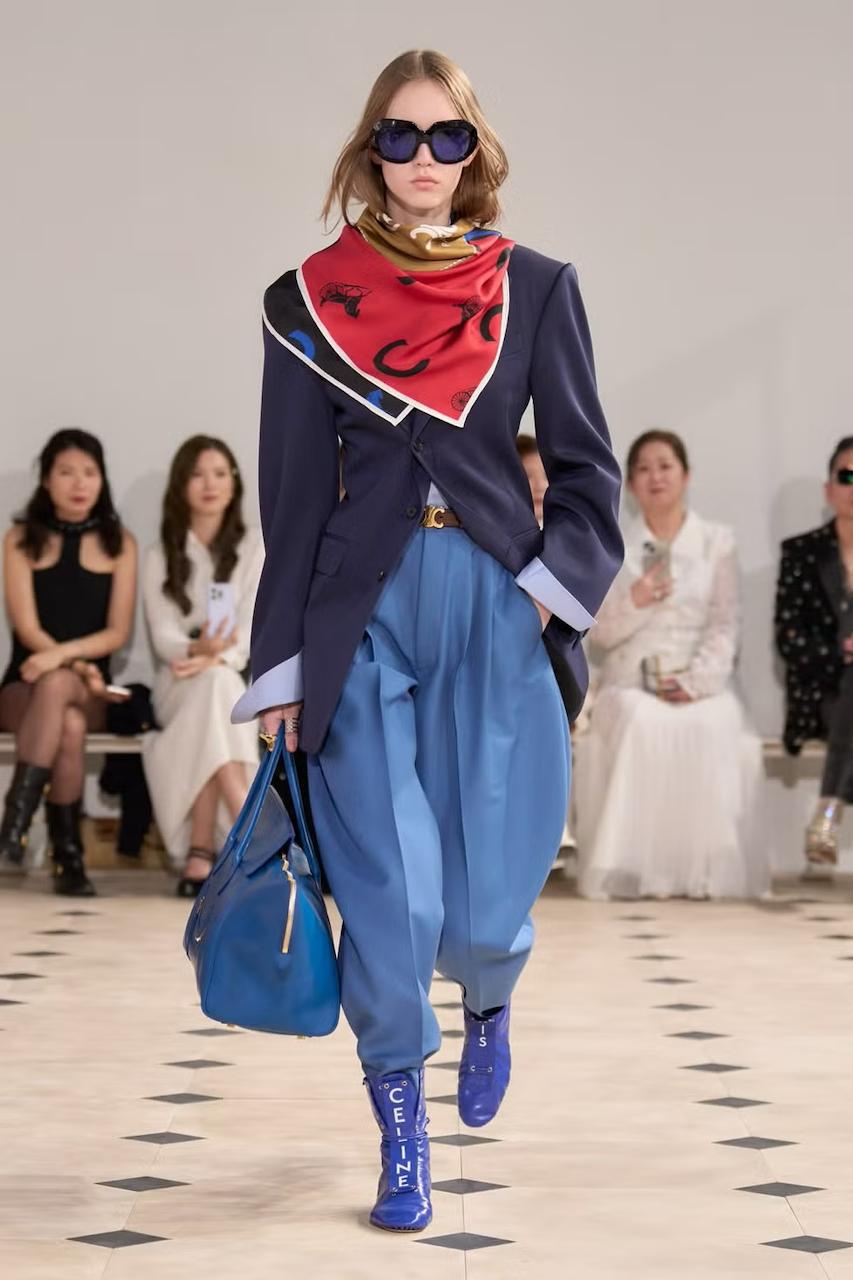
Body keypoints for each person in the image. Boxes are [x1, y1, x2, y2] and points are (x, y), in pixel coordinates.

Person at [231, 50, 622, 1231]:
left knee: (490, 891)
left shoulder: (536, 286)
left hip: (497, 598)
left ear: (474, 151)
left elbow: (588, 468)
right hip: (359, 610)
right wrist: (281, 662)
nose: (421, 158)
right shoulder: (310, 300)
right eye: (397, 136)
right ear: (369, 151)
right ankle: (399, 1119)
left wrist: (551, 592)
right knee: (387, 884)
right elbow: (293, 495)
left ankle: (490, 996)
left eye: (445, 136)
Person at [576, 430, 768, 900]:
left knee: (716, 720)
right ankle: (639, 871)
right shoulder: (613, 544)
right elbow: (598, 632)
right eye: (643, 468)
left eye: (665, 466)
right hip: (630, 681)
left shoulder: (716, 542)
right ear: (631, 484)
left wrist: (697, 683)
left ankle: (704, 871)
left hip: (699, 682)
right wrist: (636, 601)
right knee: (640, 721)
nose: (655, 477)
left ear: (686, 476)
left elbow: (725, 624)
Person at [0, 429, 137, 894]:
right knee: (69, 722)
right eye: (66, 472)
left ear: (102, 479)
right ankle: (68, 858)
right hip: (25, 686)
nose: (79, 483)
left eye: (89, 472)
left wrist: (62, 659)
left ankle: (14, 824)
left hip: (91, 688)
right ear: (45, 479)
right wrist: (70, 664)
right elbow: (27, 629)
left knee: (61, 688)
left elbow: (116, 633)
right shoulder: (19, 539)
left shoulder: (120, 543)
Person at [142, 436, 263, 896]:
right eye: (196, 474)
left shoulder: (254, 547)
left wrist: (220, 657)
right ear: (180, 485)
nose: (209, 484)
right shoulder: (161, 554)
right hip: (178, 681)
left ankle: (200, 849)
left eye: (219, 473)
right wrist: (199, 650)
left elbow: (251, 631)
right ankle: (249, 825)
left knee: (218, 687)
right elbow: (163, 637)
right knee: (214, 689)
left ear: (234, 482)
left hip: (230, 677)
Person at [775, 436, 853, 866]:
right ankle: (828, 811)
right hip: (821, 693)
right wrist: (841, 653)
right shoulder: (801, 553)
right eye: (847, 476)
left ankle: (828, 809)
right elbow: (789, 637)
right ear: (829, 489)